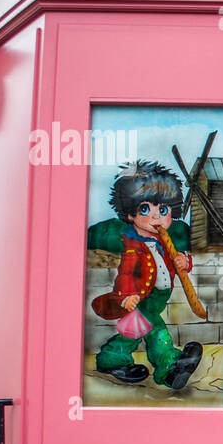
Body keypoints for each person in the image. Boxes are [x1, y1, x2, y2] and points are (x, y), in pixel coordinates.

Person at [87, 160, 203, 389]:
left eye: (163, 210)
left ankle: (114, 360)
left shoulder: (164, 241)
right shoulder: (133, 246)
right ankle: (168, 367)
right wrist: (125, 296)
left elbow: (174, 260)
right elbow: (126, 274)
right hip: (141, 299)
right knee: (155, 331)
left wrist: (184, 261)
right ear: (130, 214)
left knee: (136, 332)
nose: (155, 217)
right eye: (145, 209)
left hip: (157, 298)